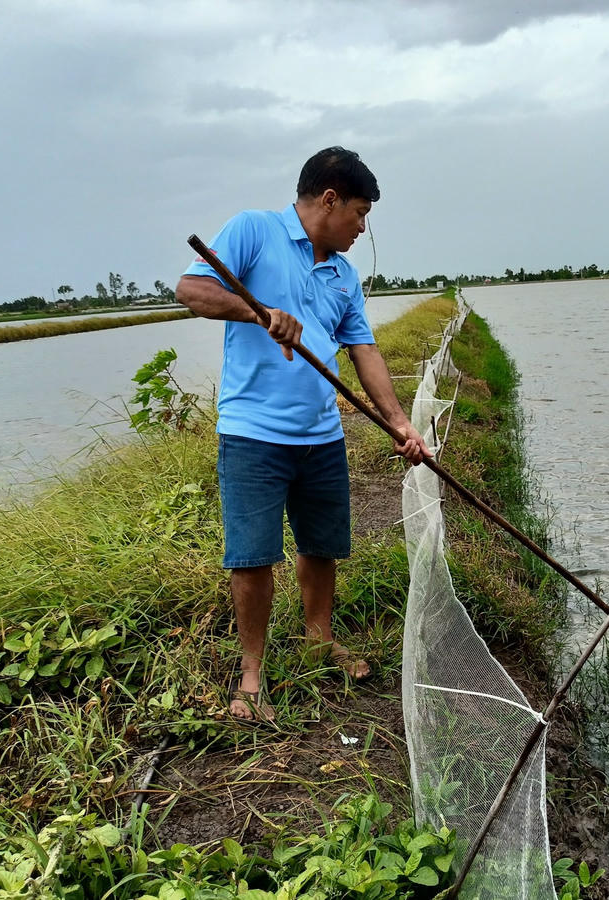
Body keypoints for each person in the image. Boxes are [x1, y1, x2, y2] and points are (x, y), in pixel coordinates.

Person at [176, 147, 429, 722]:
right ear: (330, 200)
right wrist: (259, 312)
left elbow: (363, 349)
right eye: (360, 214)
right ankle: (251, 673)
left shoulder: (343, 275)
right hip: (253, 435)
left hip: (322, 436)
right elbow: (190, 290)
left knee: (321, 545)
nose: (362, 229)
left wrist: (399, 421)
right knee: (252, 556)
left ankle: (320, 640)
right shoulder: (254, 230)